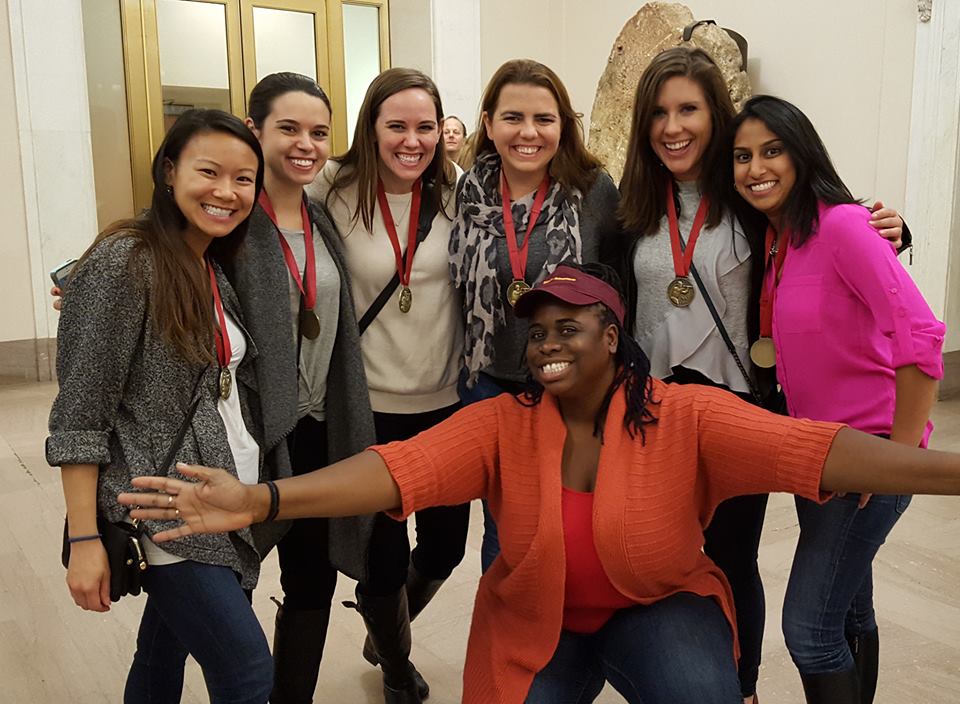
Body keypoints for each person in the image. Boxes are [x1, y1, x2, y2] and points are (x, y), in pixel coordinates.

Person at [120, 262, 958, 704]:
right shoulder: (502, 422)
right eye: (537, 332)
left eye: (569, 327)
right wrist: (262, 500)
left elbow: (819, 451)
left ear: (613, 336)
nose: (547, 343)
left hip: (658, 608)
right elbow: (393, 471)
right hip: (534, 623)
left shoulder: (687, 414)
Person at [605, 46, 907, 703]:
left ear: (716, 116)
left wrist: (894, 229)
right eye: (658, 112)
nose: (673, 127)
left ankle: (742, 690)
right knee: (666, 554)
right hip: (656, 412)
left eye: (688, 109)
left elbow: (831, 226)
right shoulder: (633, 209)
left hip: (743, 410)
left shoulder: (750, 196)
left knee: (734, 557)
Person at [48, 109, 273, 703]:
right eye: (208, 172)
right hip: (163, 509)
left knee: (161, 653)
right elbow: (80, 414)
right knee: (248, 672)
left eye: (244, 179)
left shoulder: (208, 262)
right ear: (169, 172)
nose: (226, 192)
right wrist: (84, 540)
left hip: (221, 494)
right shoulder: (126, 260)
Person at [729, 94, 945, 704]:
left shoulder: (843, 225)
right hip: (818, 456)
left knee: (809, 630)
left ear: (802, 153)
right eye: (742, 156)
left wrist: (898, 459)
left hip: (868, 455)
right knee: (848, 611)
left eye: (772, 150)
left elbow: (922, 336)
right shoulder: (780, 238)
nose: (756, 168)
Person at [306, 67, 465, 704]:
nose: (412, 140)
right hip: (367, 407)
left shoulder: (458, 191)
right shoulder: (332, 186)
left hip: (446, 403)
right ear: (370, 127)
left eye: (425, 127)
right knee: (383, 554)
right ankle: (396, 665)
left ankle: (384, 627)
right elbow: (239, 210)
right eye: (396, 125)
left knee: (446, 547)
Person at [232, 72, 375, 703]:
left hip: (319, 428)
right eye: (288, 128)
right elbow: (155, 250)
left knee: (312, 580)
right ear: (254, 130)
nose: (305, 145)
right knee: (228, 575)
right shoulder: (230, 216)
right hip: (248, 432)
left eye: (319, 132)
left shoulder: (320, 218)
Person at [449, 58, 620, 572]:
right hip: (488, 383)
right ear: (488, 124)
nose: (528, 133)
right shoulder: (466, 193)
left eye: (544, 119)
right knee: (506, 524)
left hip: (574, 387)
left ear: (563, 125)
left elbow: (619, 286)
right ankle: (508, 619)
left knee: (573, 517)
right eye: (513, 117)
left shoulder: (594, 191)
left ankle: (568, 617)